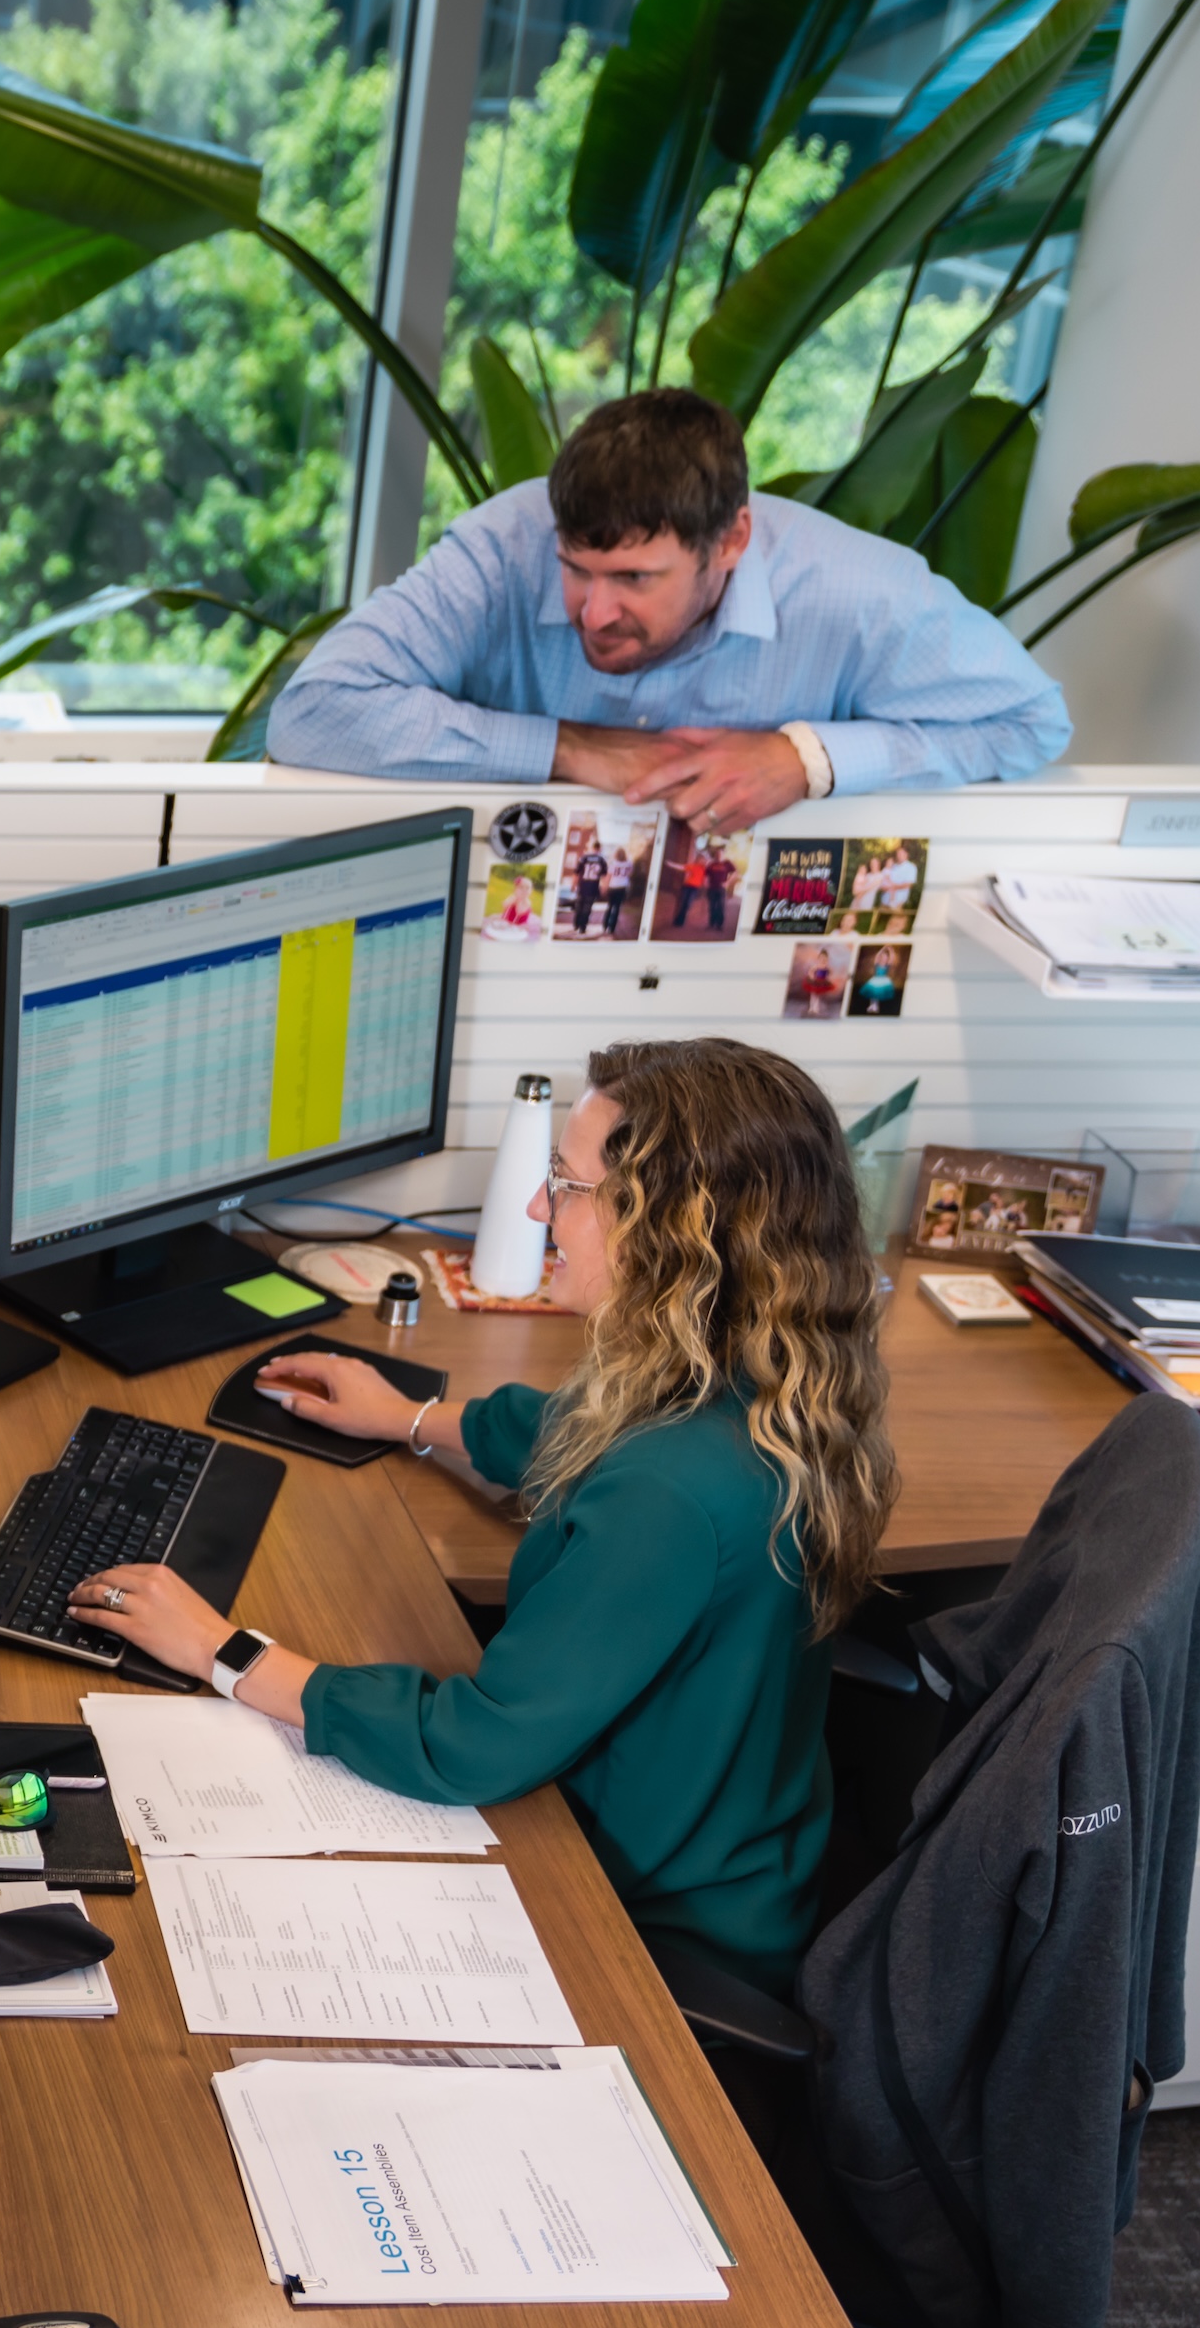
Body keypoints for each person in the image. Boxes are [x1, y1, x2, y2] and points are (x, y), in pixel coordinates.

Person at [65, 1038, 894, 1991]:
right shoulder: (769, 1373)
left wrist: (224, 1652)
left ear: (667, 1230)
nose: (540, 1208)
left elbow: (474, 1742)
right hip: (749, 1849)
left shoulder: (667, 1494)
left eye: (567, 1185)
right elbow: (580, 1429)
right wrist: (408, 1418)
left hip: (647, 1917)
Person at [268, 387, 1069, 833]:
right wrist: (568, 747)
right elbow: (314, 712)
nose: (590, 611)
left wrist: (807, 759)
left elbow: (1027, 723)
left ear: (729, 542)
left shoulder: (860, 593)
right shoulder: (501, 547)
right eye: (574, 570)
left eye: (633, 578)